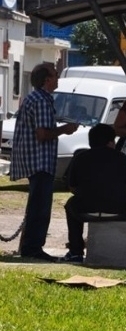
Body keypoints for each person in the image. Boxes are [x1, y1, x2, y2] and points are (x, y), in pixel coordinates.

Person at [10, 63, 79, 261]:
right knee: (40, 207)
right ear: (47, 80)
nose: (58, 78)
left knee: (37, 205)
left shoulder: (35, 98)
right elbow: (42, 134)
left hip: (34, 159)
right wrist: (64, 129)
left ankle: (30, 246)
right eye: (55, 75)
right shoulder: (41, 100)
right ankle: (33, 247)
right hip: (39, 160)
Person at [62, 124, 126, 263]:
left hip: (85, 209)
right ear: (110, 142)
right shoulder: (121, 158)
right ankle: (124, 249)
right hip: (118, 210)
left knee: (71, 204)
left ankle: (75, 251)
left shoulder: (80, 157)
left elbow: (72, 186)